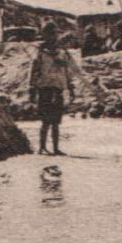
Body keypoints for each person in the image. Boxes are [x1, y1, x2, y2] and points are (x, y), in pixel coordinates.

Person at [28, 21, 79, 154]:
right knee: (45, 121)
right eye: (49, 34)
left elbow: (68, 73)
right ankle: (42, 147)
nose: (52, 37)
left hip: (58, 89)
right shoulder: (39, 53)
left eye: (54, 34)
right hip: (44, 88)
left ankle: (56, 148)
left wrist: (71, 88)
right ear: (44, 35)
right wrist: (32, 89)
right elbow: (34, 71)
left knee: (56, 122)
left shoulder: (62, 53)